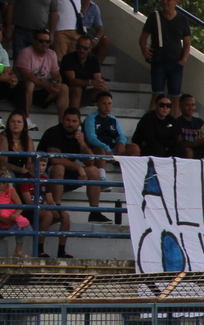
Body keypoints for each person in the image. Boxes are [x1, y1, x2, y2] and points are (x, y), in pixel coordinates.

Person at [40, 107, 101, 241]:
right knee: (59, 167)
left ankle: (95, 211)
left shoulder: (80, 135)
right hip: (46, 177)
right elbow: (54, 159)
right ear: (62, 120)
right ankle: (57, 208)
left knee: (93, 171)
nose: (70, 124)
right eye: (67, 120)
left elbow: (90, 162)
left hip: (68, 176)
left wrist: (82, 144)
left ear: (79, 122)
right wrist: (78, 167)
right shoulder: (53, 132)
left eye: (74, 121)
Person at [139, 0, 189, 97]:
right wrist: (144, 49)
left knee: (175, 97)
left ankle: (174, 114)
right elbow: (143, 37)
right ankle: (152, 114)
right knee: (157, 95)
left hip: (176, 63)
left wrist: (183, 60)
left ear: (176, 2)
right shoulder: (154, 17)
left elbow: (187, 42)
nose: (165, 2)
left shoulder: (183, 19)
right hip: (159, 62)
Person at [15, 26, 63, 123]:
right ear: (33, 41)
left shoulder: (52, 54)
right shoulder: (25, 52)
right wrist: (47, 85)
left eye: (47, 42)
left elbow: (56, 73)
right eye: (41, 41)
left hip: (39, 89)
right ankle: (26, 118)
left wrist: (56, 82)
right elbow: (26, 76)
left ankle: (62, 122)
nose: (44, 44)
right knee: (30, 84)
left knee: (64, 88)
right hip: (20, 90)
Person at [59, 32, 106, 111]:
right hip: (67, 93)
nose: (81, 50)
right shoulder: (68, 58)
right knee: (77, 88)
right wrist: (90, 82)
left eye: (85, 48)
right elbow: (72, 81)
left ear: (90, 49)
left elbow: (97, 80)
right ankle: (74, 115)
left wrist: (100, 84)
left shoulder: (94, 59)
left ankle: (103, 119)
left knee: (103, 92)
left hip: (83, 92)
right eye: (79, 47)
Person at [83, 89, 137, 157]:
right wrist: (106, 148)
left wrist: (121, 142)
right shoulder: (91, 118)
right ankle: (101, 168)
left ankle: (129, 167)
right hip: (96, 148)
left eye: (109, 103)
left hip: (111, 148)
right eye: (104, 103)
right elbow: (91, 138)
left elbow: (120, 135)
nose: (107, 106)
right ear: (97, 104)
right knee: (101, 151)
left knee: (134, 148)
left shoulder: (113, 119)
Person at [174, 93, 204, 159]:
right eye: (187, 105)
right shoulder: (177, 122)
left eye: (193, 105)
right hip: (183, 152)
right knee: (188, 151)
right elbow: (179, 143)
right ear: (180, 106)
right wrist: (195, 143)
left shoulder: (199, 122)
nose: (191, 108)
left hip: (199, 150)